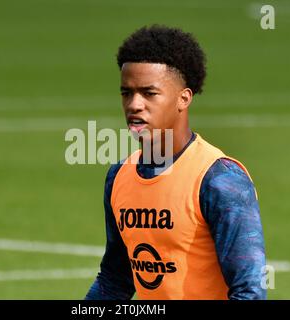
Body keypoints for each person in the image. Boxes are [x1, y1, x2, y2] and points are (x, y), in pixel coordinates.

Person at [85, 25, 266, 300]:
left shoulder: (220, 180)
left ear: (184, 98)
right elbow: (115, 280)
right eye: (126, 93)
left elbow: (249, 292)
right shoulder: (120, 176)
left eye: (149, 93)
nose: (134, 104)